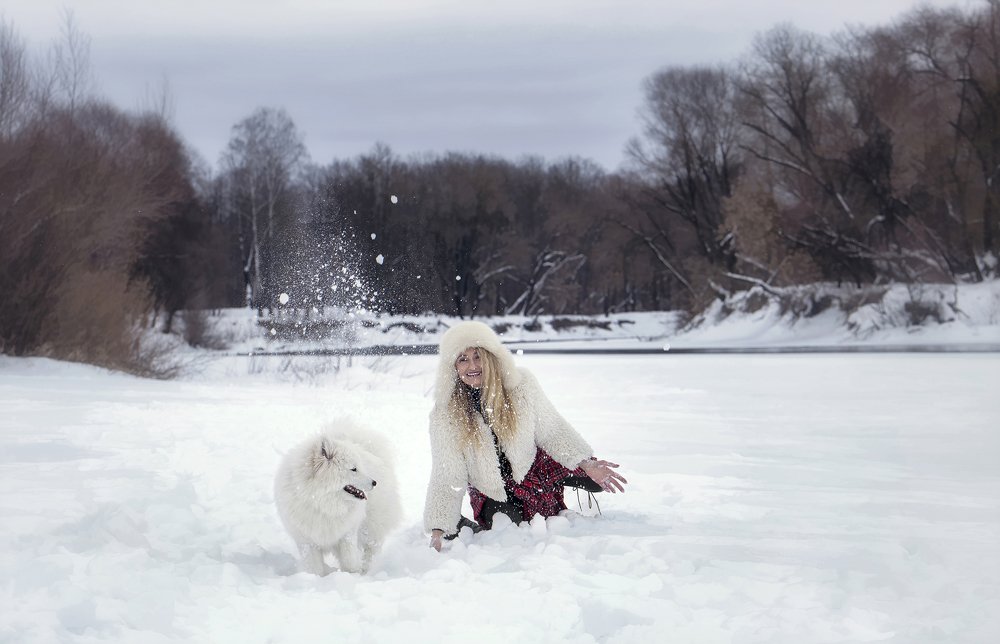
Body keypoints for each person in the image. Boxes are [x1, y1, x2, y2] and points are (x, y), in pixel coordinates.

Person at [424, 321, 627, 551]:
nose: (472, 365)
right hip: (493, 488)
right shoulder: (445, 414)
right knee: (513, 526)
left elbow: (551, 429)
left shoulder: (521, 385)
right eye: (463, 359)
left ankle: (558, 479)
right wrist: (438, 528)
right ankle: (463, 523)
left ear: (492, 357)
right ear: (453, 367)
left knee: (594, 481)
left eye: (478, 356)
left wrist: (586, 463)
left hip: (531, 468)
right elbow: (447, 472)